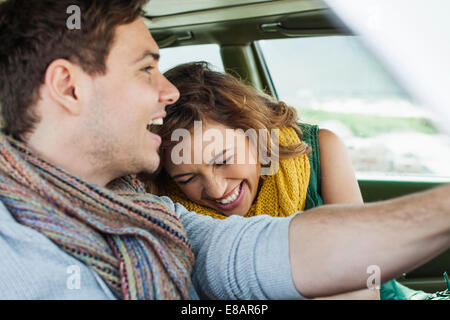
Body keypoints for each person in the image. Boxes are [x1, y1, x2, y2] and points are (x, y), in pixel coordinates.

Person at [0, 0, 449, 300]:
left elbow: (264, 252)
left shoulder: (146, 210)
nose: (166, 92)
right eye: (146, 70)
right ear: (69, 87)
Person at [146, 61, 448, 300]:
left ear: (253, 133)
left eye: (223, 160)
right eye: (187, 177)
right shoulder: (165, 205)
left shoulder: (322, 148)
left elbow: (366, 270)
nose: (215, 189)